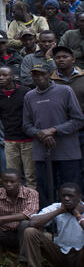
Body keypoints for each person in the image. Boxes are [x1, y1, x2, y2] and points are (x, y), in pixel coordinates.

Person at [23, 64, 84, 208]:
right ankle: (48, 226)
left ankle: (74, 224)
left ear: (49, 74)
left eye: (42, 74)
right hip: (42, 152)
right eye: (35, 75)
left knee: (70, 190)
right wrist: (40, 133)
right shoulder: (29, 96)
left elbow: (78, 120)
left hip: (68, 152)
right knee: (45, 191)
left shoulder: (65, 91)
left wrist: (54, 130)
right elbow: (26, 125)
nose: (39, 78)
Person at [20, 183, 84, 267]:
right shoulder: (57, 207)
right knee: (30, 232)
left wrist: (78, 214)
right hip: (60, 256)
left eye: (70, 196)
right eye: (64, 196)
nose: (66, 199)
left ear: (79, 197)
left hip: (81, 259)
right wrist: (60, 211)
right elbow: (33, 222)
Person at [0, 67, 35, 188]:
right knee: (13, 176)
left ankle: (32, 204)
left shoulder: (25, 92)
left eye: (5, 75)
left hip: (28, 140)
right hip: (10, 141)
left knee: (30, 176)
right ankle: (16, 204)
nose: (1, 78)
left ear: (12, 77)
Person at [50, 45, 84, 190]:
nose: (61, 60)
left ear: (73, 59)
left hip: (82, 130)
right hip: (61, 132)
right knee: (67, 171)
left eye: (65, 57)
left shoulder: (83, 77)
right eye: (57, 57)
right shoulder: (50, 81)